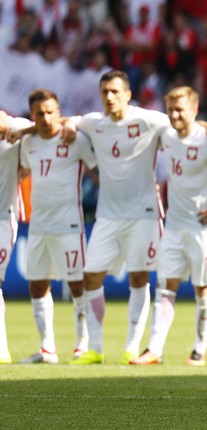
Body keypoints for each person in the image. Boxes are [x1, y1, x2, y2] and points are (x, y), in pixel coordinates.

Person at [129, 86, 207, 366]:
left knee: (203, 289)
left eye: (180, 110)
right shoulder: (167, 135)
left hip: (203, 227)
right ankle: (155, 349)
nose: (174, 115)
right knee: (165, 286)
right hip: (173, 225)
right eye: (170, 109)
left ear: (194, 111)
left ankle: (198, 349)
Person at [65, 69, 171, 365]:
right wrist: (66, 127)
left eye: (114, 91)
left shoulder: (149, 119)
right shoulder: (93, 122)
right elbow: (68, 121)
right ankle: (96, 348)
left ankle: (131, 346)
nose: (109, 97)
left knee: (139, 277)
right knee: (91, 276)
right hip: (108, 214)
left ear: (127, 94)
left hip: (144, 213)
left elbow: (182, 123)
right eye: (105, 92)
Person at [18, 89, 97, 364]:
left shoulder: (75, 139)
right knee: (37, 285)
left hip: (69, 224)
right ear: (33, 116)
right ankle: (47, 348)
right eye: (40, 113)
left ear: (59, 112)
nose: (46, 117)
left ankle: (82, 343)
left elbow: (97, 170)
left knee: (77, 284)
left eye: (51, 111)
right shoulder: (29, 144)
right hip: (39, 225)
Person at [0, 113, 33, 364]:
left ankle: (1, 349)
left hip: (3, 219)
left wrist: (15, 130)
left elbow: (42, 127)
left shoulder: (11, 129)